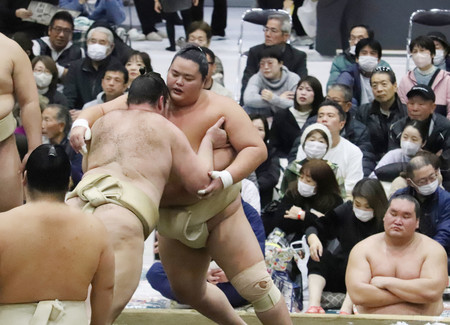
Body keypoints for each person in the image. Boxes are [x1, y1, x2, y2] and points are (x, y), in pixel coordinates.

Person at [70, 45, 292, 324]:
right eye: (174, 74)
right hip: (170, 219)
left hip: (217, 211)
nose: (178, 82)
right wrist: (80, 126)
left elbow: (255, 148)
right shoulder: (150, 101)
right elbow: (98, 110)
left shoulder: (221, 107)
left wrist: (226, 176)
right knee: (188, 291)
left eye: (188, 78)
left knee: (256, 285)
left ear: (205, 82)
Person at [67, 71, 226, 322]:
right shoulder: (165, 127)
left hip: (73, 210)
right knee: (94, 319)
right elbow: (201, 184)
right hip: (120, 217)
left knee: (59, 309)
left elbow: (88, 168)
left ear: (129, 97)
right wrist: (208, 141)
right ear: (162, 103)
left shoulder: (102, 123)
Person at [0, 144, 114, 324]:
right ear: (69, 181)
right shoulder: (95, 228)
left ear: (25, 178)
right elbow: (105, 289)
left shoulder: (2, 226)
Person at [147, 199, 265, 308]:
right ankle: (200, 296)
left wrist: (232, 273)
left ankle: (196, 297)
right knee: (155, 272)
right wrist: (202, 273)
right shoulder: (190, 209)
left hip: (230, 281)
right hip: (196, 276)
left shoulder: (248, 214)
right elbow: (178, 260)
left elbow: (258, 258)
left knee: (250, 286)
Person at [346, 195, 448, 315]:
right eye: (393, 214)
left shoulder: (433, 250)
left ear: (417, 222)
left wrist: (387, 283)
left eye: (406, 216)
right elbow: (358, 295)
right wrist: (415, 295)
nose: (398, 221)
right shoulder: (362, 249)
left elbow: (432, 292)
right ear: (384, 216)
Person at [305, 178, 387, 314]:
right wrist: (313, 238)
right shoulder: (346, 210)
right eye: (358, 204)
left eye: (367, 207)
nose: (361, 210)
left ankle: (346, 309)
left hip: (370, 277)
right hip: (342, 269)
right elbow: (319, 225)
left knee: (366, 266)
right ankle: (314, 306)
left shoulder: (386, 218)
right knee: (320, 255)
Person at [0, 33, 41, 212]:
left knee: (8, 213)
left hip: (3, 144)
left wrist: (34, 149)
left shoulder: (11, 49)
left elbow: (30, 102)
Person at [392, 154, 450, 272]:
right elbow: (391, 227)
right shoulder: (399, 198)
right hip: (402, 251)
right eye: (423, 181)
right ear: (410, 182)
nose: (429, 183)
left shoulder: (446, 200)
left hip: (435, 254)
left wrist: (423, 256)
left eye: (432, 177)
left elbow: (444, 234)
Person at [294, 100, 364, 198]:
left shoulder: (353, 151)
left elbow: (352, 185)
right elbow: (298, 176)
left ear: (341, 124)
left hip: (338, 199)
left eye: (330, 116)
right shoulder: (306, 147)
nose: (324, 120)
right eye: (320, 116)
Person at [262, 159, 343, 241]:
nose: (303, 182)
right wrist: (314, 217)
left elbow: (329, 229)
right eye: (301, 177)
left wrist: (302, 215)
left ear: (322, 184)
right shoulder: (293, 191)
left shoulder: (334, 201)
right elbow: (280, 221)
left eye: (308, 181)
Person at [389, 84, 450, 191]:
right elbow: (393, 161)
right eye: (411, 103)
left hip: (438, 178)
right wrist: (432, 158)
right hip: (404, 176)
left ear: (433, 107)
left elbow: (446, 161)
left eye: (421, 104)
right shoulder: (397, 128)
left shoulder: (445, 127)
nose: (415, 108)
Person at [241, 13, 307, 103]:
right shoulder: (255, 52)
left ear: (285, 36)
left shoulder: (298, 56)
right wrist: (277, 99)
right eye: (266, 29)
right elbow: (247, 88)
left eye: (273, 30)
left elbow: (301, 90)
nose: (267, 34)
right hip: (259, 106)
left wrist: (273, 99)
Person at [63, 26, 121, 117]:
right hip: (77, 116)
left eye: (102, 42)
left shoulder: (117, 69)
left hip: (106, 116)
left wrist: (88, 114)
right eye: (93, 41)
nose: (96, 45)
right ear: (87, 43)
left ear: (111, 46)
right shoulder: (76, 67)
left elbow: (117, 100)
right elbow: (68, 97)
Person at [355, 66, 408, 163]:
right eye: (374, 86)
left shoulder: (407, 112)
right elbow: (360, 143)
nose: (379, 89)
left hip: (400, 162)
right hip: (370, 161)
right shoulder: (363, 112)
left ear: (395, 86)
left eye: (384, 84)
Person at [270, 76, 324, 159]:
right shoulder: (281, 115)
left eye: (308, 90)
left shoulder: (320, 117)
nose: (303, 93)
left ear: (316, 94)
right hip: (284, 162)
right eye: (300, 89)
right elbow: (274, 146)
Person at [398, 35, 450, 117]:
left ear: (432, 54)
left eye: (422, 51)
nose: (419, 55)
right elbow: (402, 110)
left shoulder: (446, 79)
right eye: (415, 51)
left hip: (441, 127)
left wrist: (444, 128)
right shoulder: (406, 80)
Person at [243, 45, 300, 118]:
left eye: (270, 63)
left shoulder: (293, 78)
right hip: (263, 117)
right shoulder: (256, 78)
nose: (266, 67)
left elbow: (297, 104)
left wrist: (274, 99)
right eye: (262, 64)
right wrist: (277, 99)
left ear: (280, 64)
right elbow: (248, 99)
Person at [327, 24, 391, 88]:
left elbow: (390, 87)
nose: (355, 42)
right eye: (352, 38)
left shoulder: (382, 65)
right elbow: (331, 87)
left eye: (360, 38)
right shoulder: (339, 62)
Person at [31, 11, 85, 80]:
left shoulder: (79, 52)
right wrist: (64, 72)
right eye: (58, 29)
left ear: (71, 33)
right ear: (50, 30)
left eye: (66, 31)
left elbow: (79, 77)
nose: (61, 35)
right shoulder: (36, 45)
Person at [41, 104, 83, 188]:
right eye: (41, 119)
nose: (42, 125)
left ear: (61, 126)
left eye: (47, 120)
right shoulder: (39, 147)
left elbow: (79, 177)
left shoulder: (75, 148)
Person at [336, 38, 384, 106]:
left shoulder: (384, 75)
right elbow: (339, 97)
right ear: (357, 59)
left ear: (379, 60)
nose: (368, 57)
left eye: (372, 53)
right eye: (364, 53)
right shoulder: (348, 75)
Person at [250, 114, 280, 208]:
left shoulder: (271, 152)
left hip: (262, 198)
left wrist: (252, 187)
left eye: (260, 129)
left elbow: (272, 177)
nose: (255, 132)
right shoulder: (234, 150)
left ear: (266, 133)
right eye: (251, 128)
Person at [187, 20, 224, 85]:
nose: (196, 43)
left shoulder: (214, 61)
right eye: (192, 39)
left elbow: (218, 86)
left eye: (200, 40)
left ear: (208, 42)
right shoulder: (180, 58)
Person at [59, 0, 126, 26]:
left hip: (103, 30)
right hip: (76, 32)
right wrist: (80, 2)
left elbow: (119, 19)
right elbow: (63, 14)